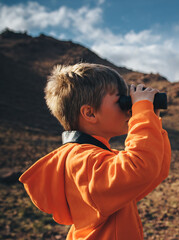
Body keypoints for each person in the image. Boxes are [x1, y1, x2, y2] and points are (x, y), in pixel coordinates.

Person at [19, 63, 171, 239]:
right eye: (120, 100)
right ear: (90, 114)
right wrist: (141, 110)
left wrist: (151, 117)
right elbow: (140, 168)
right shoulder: (82, 160)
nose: (128, 108)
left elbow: (155, 170)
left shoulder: (96, 157)